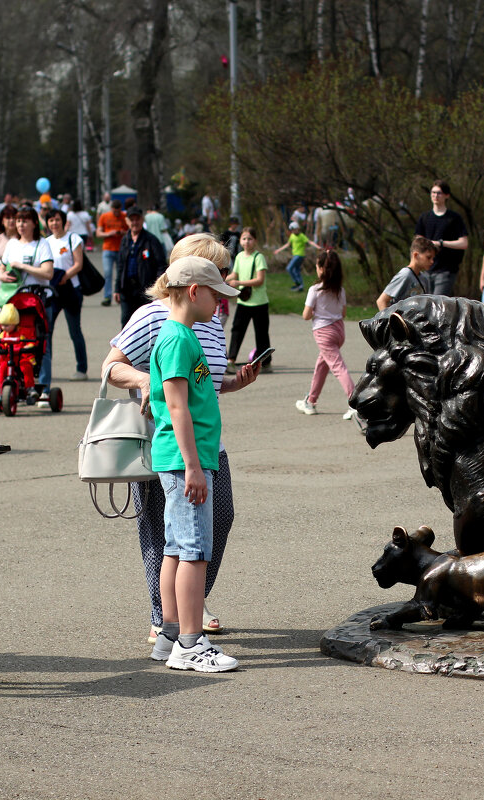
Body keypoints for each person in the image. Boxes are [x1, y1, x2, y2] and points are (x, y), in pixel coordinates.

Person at [103, 234, 257, 647]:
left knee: (214, 521)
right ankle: (168, 621)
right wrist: (151, 384)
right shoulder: (156, 319)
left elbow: (202, 384)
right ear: (194, 281)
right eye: (219, 274)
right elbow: (112, 367)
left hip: (206, 445)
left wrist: (235, 380)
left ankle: (186, 605)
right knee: (167, 534)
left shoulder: (208, 322)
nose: (225, 284)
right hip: (166, 444)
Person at [144, 256, 241, 671]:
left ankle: (169, 635)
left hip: (180, 458)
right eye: (217, 295)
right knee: (195, 550)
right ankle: (190, 641)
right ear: (194, 292)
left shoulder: (180, 336)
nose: (221, 303)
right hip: (188, 459)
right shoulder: (179, 339)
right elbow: (178, 407)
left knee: (176, 547)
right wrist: (194, 467)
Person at [0, 206, 54, 403]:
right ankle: (18, 385)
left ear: (33, 223)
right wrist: (2, 275)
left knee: (41, 342)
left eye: (25, 221)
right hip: (15, 301)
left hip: (37, 299)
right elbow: (1, 269)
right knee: (13, 343)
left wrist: (24, 267)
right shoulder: (12, 244)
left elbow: (48, 273)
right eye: (18, 221)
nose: (20, 224)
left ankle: (44, 387)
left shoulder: (42, 244)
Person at [296, 249, 358, 419]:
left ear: (322, 269)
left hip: (324, 333)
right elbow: (344, 313)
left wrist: (317, 313)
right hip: (339, 331)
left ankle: (354, 403)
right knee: (321, 366)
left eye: (317, 265)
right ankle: (311, 400)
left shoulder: (315, 290)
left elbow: (306, 315)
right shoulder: (340, 290)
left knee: (338, 368)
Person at [44, 209, 89, 381]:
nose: (54, 223)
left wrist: (64, 276)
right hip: (51, 292)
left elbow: (78, 264)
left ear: (63, 221)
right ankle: (44, 368)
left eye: (56, 220)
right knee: (47, 331)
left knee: (74, 331)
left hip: (71, 290)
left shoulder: (73, 239)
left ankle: (81, 368)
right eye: (50, 221)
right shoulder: (45, 242)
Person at [225, 227, 272, 372]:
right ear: (240, 240)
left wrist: (239, 283)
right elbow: (235, 274)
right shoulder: (239, 256)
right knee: (237, 330)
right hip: (243, 301)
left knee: (261, 333)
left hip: (259, 302)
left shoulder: (259, 257)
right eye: (244, 238)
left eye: (250, 239)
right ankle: (231, 360)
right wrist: (222, 279)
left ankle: (266, 363)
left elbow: (260, 279)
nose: (247, 242)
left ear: (255, 241)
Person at [114, 206, 168, 326]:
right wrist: (117, 288)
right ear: (127, 221)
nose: (134, 222)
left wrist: (158, 287)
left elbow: (161, 265)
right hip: (127, 289)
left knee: (144, 322)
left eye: (137, 219)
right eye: (131, 220)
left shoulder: (151, 240)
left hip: (145, 288)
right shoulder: (125, 240)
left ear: (142, 220)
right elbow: (121, 265)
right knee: (126, 321)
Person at [414, 180, 468, 296]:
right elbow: (417, 243)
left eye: (439, 193)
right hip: (426, 270)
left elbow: (464, 243)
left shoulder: (454, 218)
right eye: (433, 193)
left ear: (446, 195)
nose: (435, 196)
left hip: (446, 270)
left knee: (438, 304)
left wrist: (441, 243)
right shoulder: (424, 217)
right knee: (425, 304)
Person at [377, 236, 437, 310]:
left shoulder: (424, 278)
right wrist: (389, 320)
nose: (432, 261)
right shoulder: (405, 275)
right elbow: (381, 301)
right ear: (416, 255)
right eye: (428, 257)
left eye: (433, 258)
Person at [274, 221, 320, 292]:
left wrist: (317, 247)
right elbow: (287, 244)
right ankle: (301, 286)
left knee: (289, 268)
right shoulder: (292, 236)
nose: (293, 231)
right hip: (295, 255)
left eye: (294, 229)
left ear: (298, 228)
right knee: (296, 270)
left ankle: (297, 283)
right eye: (292, 230)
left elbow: (309, 242)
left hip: (300, 255)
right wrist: (278, 250)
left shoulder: (301, 236)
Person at [97, 199, 127, 306]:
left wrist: (123, 232)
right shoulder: (104, 217)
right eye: (114, 211)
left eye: (118, 212)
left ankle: (121, 295)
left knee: (121, 274)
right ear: (111, 209)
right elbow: (98, 233)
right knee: (107, 273)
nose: (116, 214)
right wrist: (109, 233)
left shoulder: (125, 216)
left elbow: (131, 231)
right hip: (108, 249)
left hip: (121, 249)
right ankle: (107, 296)